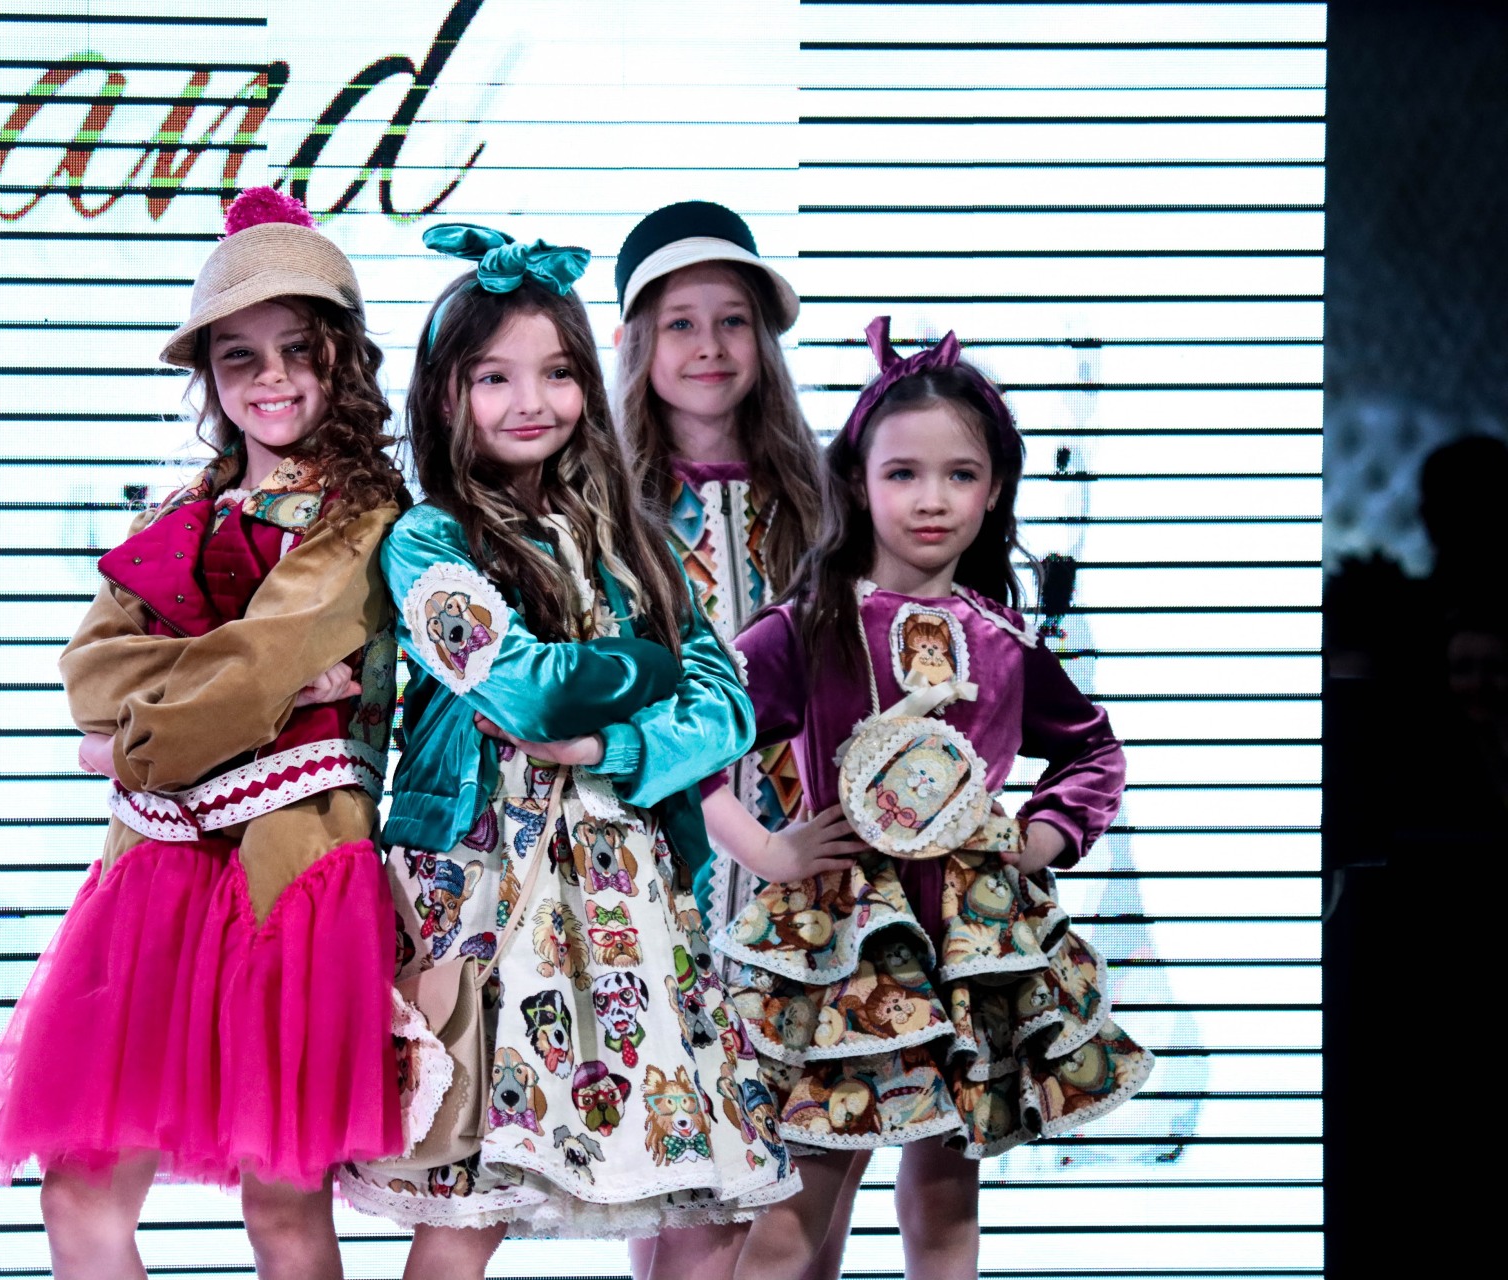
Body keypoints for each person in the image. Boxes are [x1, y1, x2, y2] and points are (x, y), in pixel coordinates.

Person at [0, 188, 411, 1280]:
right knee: (78, 1191)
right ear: (207, 373)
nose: (270, 378)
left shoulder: (363, 515)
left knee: (282, 1209)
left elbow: (255, 664)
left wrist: (137, 740)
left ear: (342, 357)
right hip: (152, 878)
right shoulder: (175, 515)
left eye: (297, 349)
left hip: (292, 873)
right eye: (238, 355)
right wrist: (260, 692)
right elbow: (90, 673)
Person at [341, 224, 798, 1278]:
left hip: (629, 890)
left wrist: (613, 741)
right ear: (445, 394)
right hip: (488, 889)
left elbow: (728, 707)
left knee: (705, 1194)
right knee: (468, 1196)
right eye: (493, 376)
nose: (530, 400)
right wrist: (648, 663)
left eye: (555, 372)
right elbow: (520, 685)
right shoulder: (428, 539)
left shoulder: (632, 538)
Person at [705, 318, 1153, 1280]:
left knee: (949, 1189)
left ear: (995, 490)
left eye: (961, 474)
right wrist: (768, 850)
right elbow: (690, 740)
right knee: (802, 1193)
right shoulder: (805, 628)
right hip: (845, 946)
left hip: (974, 945)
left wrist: (1041, 837)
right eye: (903, 473)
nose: (932, 498)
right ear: (856, 483)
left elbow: (1093, 751)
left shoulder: (1005, 640)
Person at [612, 202, 834, 1280]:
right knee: (681, 1169)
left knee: (801, 1172)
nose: (709, 346)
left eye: (733, 320)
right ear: (636, 344)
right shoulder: (612, 509)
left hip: (805, 879)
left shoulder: (822, 500)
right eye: (681, 323)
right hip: (666, 871)